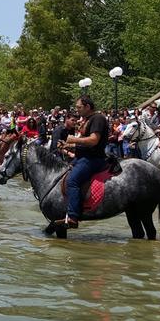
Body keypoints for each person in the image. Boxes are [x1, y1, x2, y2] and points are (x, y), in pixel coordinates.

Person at [58, 96, 108, 228]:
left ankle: (73, 216)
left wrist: (73, 140)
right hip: (81, 157)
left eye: (79, 107)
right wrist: (68, 146)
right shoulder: (87, 119)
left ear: (87, 107)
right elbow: (84, 143)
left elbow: (93, 140)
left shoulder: (98, 118)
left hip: (93, 159)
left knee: (72, 181)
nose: (77, 110)